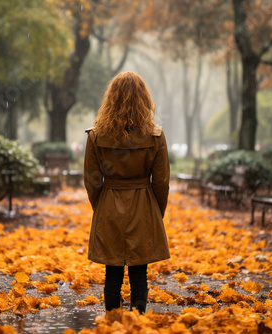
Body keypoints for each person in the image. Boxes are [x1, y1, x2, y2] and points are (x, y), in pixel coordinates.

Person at [83, 71, 170, 314]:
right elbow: (161, 182)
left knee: (112, 271)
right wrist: (156, 213)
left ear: (111, 98)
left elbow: (91, 181)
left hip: (109, 204)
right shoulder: (155, 136)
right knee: (139, 271)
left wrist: (100, 207)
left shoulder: (96, 136)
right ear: (144, 98)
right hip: (143, 205)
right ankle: (138, 321)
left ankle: (113, 320)